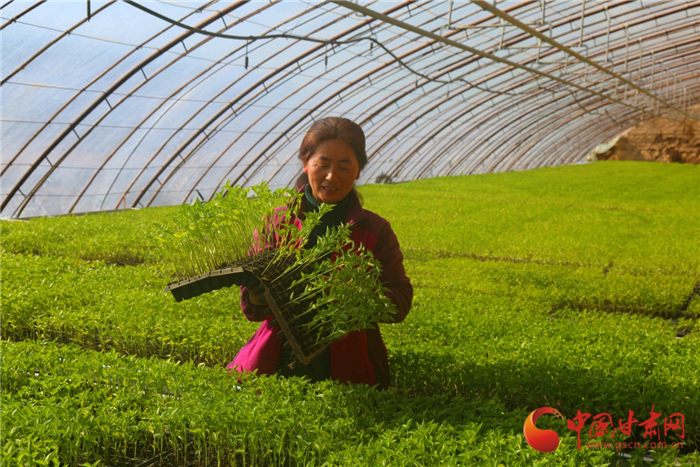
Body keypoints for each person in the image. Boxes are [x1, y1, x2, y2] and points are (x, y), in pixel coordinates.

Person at [227, 117, 412, 389]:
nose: (331, 176)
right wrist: (258, 291)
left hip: (348, 361)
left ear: (359, 170)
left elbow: (400, 300)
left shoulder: (375, 230)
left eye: (344, 165)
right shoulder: (277, 223)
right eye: (322, 164)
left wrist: (354, 299)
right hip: (276, 358)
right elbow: (251, 307)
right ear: (305, 164)